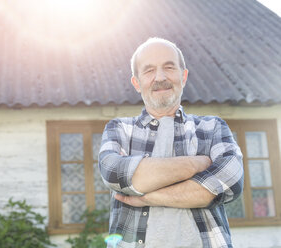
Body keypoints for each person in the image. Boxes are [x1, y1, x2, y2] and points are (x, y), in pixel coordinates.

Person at [98, 37, 244, 248]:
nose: (160, 77)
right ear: (137, 83)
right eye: (149, 71)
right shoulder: (120, 129)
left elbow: (230, 182)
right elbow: (114, 174)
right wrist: (198, 164)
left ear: (183, 77)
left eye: (169, 67)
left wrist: (146, 197)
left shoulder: (212, 128)